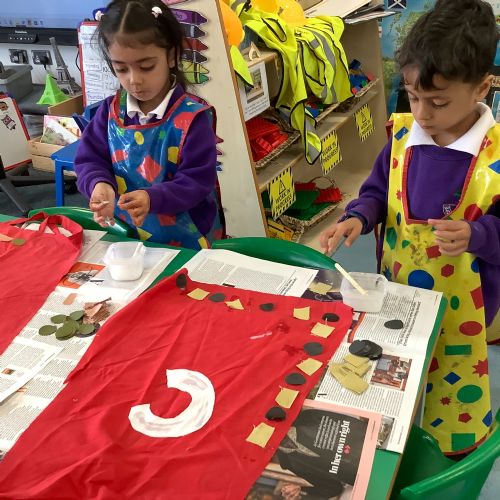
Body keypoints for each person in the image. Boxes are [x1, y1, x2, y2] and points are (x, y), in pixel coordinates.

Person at [320, 0, 499, 456]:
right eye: (413, 96)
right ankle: (389, 441)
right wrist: (358, 217)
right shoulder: (402, 136)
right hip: (397, 288)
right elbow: (378, 190)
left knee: (453, 385)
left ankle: (449, 452)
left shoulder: (496, 155)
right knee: (393, 370)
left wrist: (477, 235)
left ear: (482, 87)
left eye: (438, 102)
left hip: (465, 306)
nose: (421, 113)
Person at [75, 0, 222, 249]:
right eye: (121, 69)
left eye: (146, 67)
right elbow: (90, 160)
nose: (134, 80)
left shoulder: (192, 118)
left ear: (172, 56)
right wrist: (99, 184)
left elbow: (197, 181)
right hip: (127, 234)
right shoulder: (109, 113)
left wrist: (152, 197)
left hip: (187, 238)